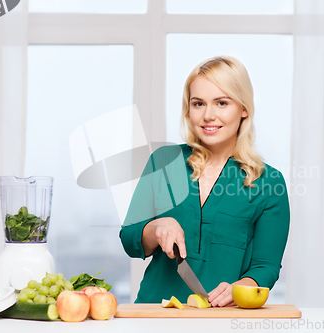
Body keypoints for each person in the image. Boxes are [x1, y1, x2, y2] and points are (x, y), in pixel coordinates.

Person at [119, 56, 290, 307]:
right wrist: (157, 227)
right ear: (189, 110)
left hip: (222, 319)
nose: (208, 115)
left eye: (222, 103)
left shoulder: (268, 182)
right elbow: (130, 239)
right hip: (154, 314)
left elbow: (266, 266)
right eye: (198, 103)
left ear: (243, 108)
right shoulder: (164, 161)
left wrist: (241, 287)